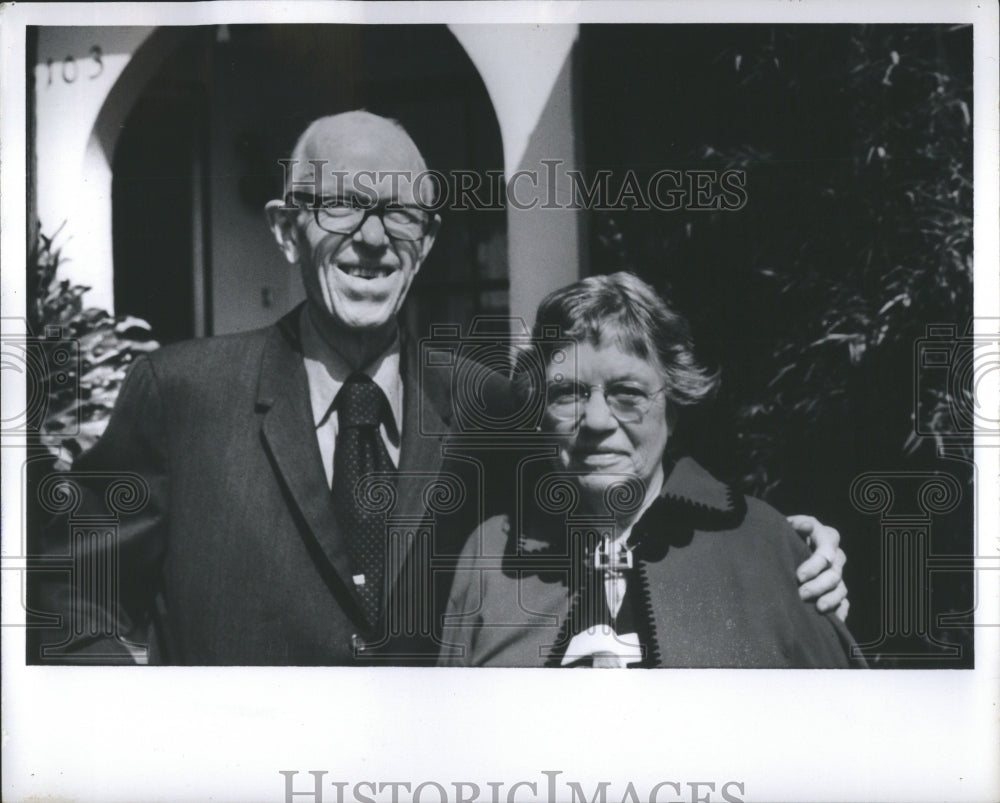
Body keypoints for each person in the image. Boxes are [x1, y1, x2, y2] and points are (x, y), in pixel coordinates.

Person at [29, 112, 846, 666]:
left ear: (425, 247)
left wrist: (789, 548)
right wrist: (144, 733)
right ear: (286, 228)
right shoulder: (180, 394)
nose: (374, 240)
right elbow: (69, 590)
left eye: (403, 217)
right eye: (346, 205)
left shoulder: (491, 405)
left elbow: (611, 507)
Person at [439, 272, 862, 667]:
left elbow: (843, 724)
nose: (598, 421)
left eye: (627, 392)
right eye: (568, 394)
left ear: (673, 407)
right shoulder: (491, 556)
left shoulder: (763, 544)